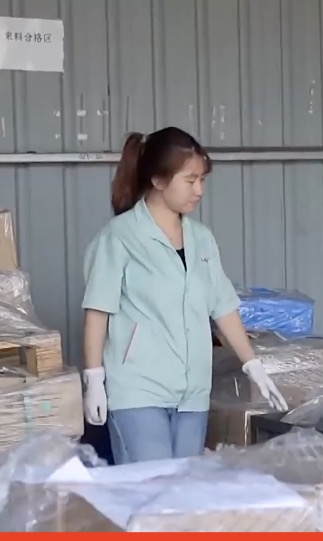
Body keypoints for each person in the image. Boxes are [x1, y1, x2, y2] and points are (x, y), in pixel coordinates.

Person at [80, 127, 288, 464]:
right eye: (190, 180)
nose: (199, 190)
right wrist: (93, 379)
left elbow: (223, 307)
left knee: (184, 488)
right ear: (158, 180)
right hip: (138, 390)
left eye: (202, 180)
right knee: (152, 487)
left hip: (193, 394)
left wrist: (253, 365)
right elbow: (97, 312)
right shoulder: (119, 237)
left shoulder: (202, 239)